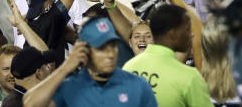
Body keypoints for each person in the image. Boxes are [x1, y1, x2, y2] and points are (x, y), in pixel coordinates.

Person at [22, 18, 158, 107]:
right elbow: (30, 104)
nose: (110, 54)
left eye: (112, 45)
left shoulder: (138, 84)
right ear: (84, 50)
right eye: (101, 48)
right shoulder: (71, 87)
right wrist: (66, 67)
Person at [123, 3, 212, 107]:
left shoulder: (128, 68)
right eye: (187, 29)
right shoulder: (189, 77)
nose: (190, 34)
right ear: (173, 33)